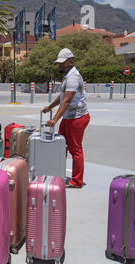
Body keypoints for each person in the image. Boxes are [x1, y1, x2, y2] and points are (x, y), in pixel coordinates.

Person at [43, 48, 90, 189]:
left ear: (70, 62)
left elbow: (67, 101)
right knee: (60, 146)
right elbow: (63, 96)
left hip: (77, 117)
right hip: (69, 117)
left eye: (62, 63)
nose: (60, 66)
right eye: (59, 63)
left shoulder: (73, 77)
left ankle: (76, 181)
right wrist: (50, 106)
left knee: (75, 149)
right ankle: (57, 174)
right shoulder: (67, 76)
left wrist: (54, 119)